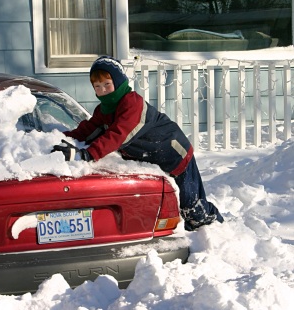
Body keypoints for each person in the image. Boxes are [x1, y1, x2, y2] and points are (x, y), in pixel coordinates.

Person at [52, 56, 223, 231]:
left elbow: (119, 134)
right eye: (97, 86)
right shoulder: (103, 110)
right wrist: (56, 138)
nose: (103, 90)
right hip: (151, 159)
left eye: (107, 84)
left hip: (175, 155)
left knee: (193, 210)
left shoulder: (132, 103)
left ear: (118, 82)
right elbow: (86, 130)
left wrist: (88, 154)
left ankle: (218, 230)